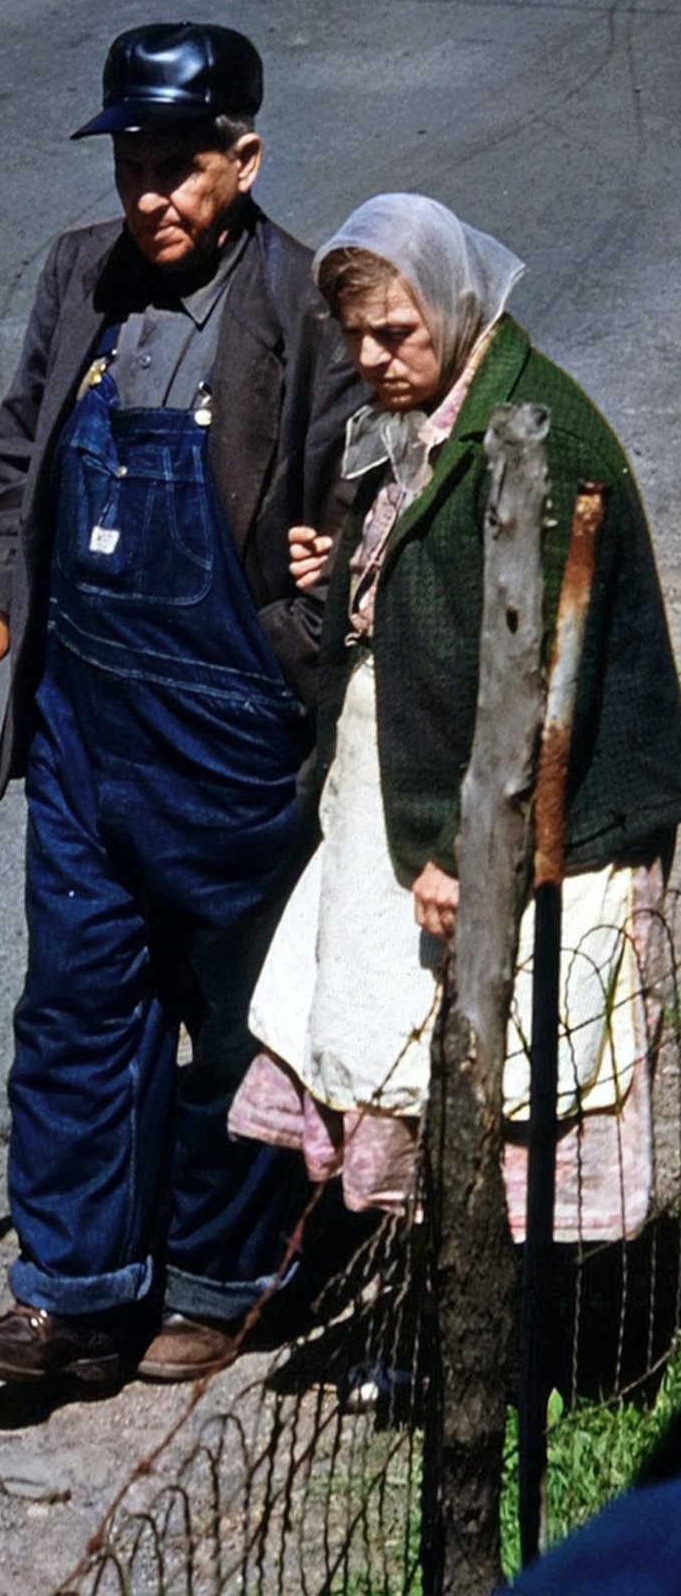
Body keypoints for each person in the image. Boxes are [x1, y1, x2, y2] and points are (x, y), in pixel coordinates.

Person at [0, 22, 365, 1387]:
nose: (149, 196)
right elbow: (21, 452)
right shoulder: (81, 273)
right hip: (82, 717)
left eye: (178, 168)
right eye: (132, 164)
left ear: (245, 161)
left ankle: (222, 1280)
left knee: (232, 1019)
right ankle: (73, 1292)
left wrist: (318, 600)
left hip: (229, 728)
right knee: (75, 1005)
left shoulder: (305, 306)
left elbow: (359, 494)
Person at [230, 192, 681, 1241]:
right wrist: (355, 567)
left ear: (455, 303)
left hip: (508, 815)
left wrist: (473, 849)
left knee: (508, 1078)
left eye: (396, 332)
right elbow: (426, 566)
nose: (372, 358)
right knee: (413, 1072)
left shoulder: (538, 439)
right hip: (413, 801)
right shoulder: (423, 415)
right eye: (355, 336)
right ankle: (436, 1297)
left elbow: (544, 679)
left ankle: (523, 1325)